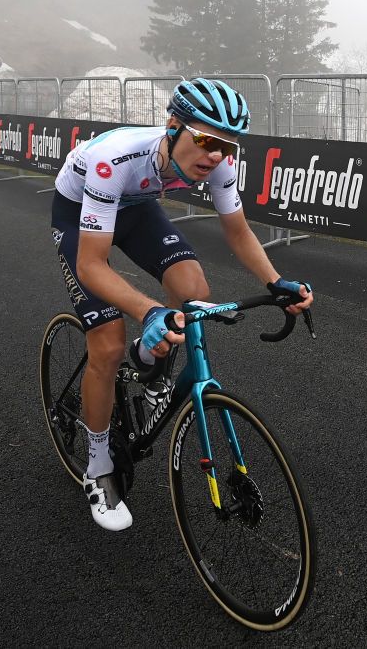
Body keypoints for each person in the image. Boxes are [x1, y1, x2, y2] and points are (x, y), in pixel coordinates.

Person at [50, 78, 314, 531]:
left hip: (136, 208)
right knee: (109, 347)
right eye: (208, 139)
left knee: (193, 288)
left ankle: (153, 364)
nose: (216, 155)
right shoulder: (115, 160)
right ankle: (98, 467)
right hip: (81, 213)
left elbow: (238, 230)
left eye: (228, 146)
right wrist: (147, 311)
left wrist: (275, 282)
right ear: (173, 127)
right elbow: (92, 265)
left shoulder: (219, 165)